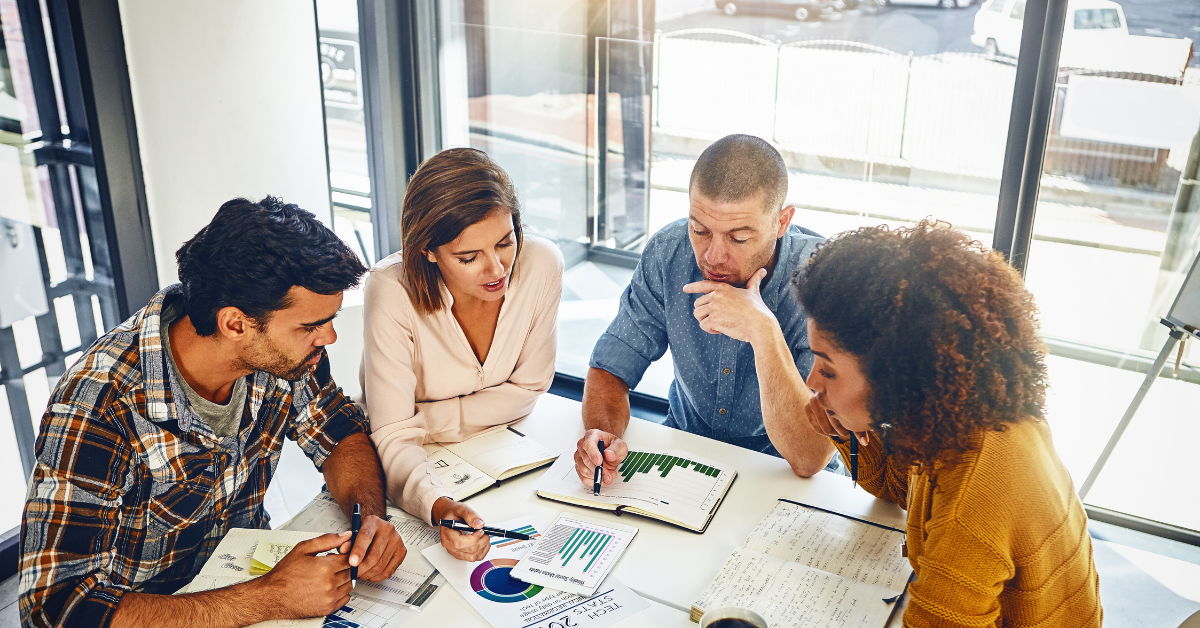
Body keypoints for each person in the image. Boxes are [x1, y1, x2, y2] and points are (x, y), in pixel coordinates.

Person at [18, 197, 410, 628]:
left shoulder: (287, 358)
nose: (330, 337)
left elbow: (337, 432)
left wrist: (368, 518)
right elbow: (54, 607)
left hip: (246, 571)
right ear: (235, 324)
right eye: (311, 325)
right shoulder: (99, 404)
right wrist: (269, 598)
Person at [795, 221, 1102, 627]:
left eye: (828, 370)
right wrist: (843, 430)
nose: (811, 383)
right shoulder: (956, 419)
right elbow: (899, 488)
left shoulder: (976, 491)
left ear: (893, 373)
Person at [575, 134, 838, 490]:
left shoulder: (823, 281)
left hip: (782, 477)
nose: (713, 256)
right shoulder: (669, 253)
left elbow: (809, 458)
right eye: (700, 229)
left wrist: (763, 332)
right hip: (686, 460)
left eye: (738, 238)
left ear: (782, 222)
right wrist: (603, 435)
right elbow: (611, 367)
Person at [359, 148, 562, 559]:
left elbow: (530, 388)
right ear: (428, 251)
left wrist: (423, 419)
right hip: (416, 471)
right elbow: (394, 440)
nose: (497, 269)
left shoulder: (541, 264)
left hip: (512, 456)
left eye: (505, 242)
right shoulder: (391, 292)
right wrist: (438, 506)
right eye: (468, 257)